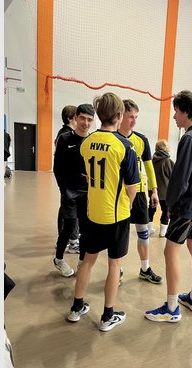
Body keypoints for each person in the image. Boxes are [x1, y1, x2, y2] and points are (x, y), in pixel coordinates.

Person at [67, 92, 140, 332]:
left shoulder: (86, 143)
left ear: (99, 115)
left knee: (87, 261)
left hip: (92, 213)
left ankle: (77, 307)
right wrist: (128, 205)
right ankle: (107, 316)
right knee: (114, 265)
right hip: (116, 215)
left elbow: (88, 175)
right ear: (119, 116)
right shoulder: (125, 146)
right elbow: (132, 187)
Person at [145, 90, 192, 323]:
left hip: (186, 207)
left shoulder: (190, 138)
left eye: (176, 111)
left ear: (185, 111)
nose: (174, 116)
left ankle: (171, 307)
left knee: (170, 251)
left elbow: (180, 178)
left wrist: (171, 204)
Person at [117, 99, 162, 285]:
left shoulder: (141, 140)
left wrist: (154, 190)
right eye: (130, 117)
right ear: (120, 116)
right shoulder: (113, 138)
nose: (134, 121)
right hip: (119, 195)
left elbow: (149, 167)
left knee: (143, 232)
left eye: (136, 117)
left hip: (140, 193)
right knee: (120, 235)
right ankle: (117, 270)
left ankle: (145, 269)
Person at [52, 104, 95, 277]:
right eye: (82, 118)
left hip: (88, 193)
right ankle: (59, 259)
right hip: (70, 191)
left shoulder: (93, 140)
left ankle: (82, 262)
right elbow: (57, 168)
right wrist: (64, 190)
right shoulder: (65, 139)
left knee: (86, 229)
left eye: (90, 119)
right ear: (76, 118)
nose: (86, 123)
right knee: (69, 227)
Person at [54, 105, 80, 253]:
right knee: (70, 211)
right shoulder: (65, 135)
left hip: (69, 182)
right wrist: (63, 187)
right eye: (78, 117)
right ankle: (72, 242)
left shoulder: (65, 133)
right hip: (68, 182)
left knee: (66, 209)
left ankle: (66, 239)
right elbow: (59, 164)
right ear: (71, 118)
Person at [151, 139, 174, 237]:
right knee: (166, 210)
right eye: (168, 145)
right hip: (165, 192)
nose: (169, 147)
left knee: (151, 209)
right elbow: (173, 176)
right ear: (164, 148)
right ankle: (163, 231)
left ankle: (148, 228)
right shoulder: (168, 161)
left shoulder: (152, 160)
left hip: (153, 190)